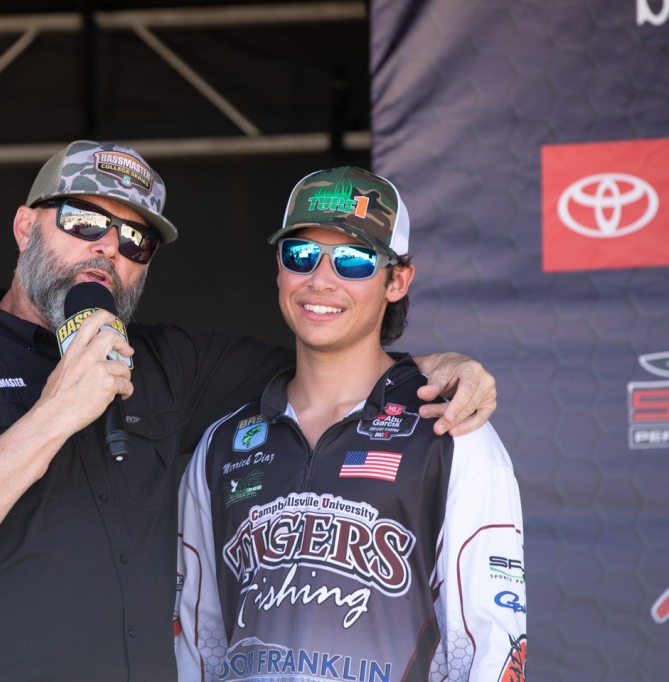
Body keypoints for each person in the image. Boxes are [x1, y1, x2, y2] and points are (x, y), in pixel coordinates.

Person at [0, 142, 500, 681]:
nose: (108, 248)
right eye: (84, 222)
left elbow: (331, 358)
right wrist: (57, 412)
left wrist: (436, 364)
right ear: (25, 226)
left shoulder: (167, 362)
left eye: (136, 241)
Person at [174, 166, 526, 682]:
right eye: (301, 255)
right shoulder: (222, 445)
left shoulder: (451, 431)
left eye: (353, 260)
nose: (320, 279)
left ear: (397, 280)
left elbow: (492, 648)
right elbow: (198, 646)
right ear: (279, 268)